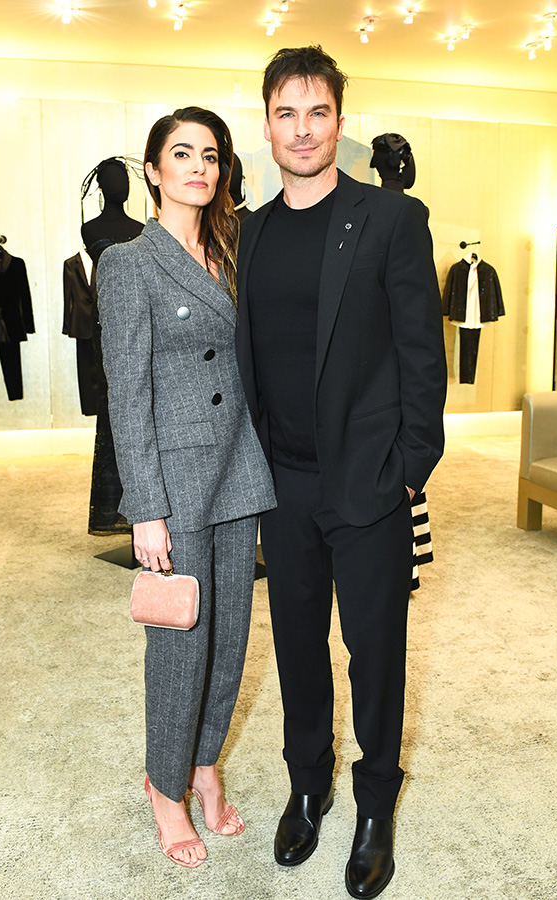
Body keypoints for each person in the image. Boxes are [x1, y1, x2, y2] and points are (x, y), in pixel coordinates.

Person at [235, 47, 447, 898]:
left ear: (339, 123)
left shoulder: (391, 219)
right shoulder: (248, 228)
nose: (302, 128)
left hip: (367, 483)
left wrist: (408, 470)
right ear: (268, 127)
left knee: (375, 653)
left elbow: (421, 356)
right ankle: (308, 782)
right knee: (294, 646)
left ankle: (372, 804)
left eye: (317, 112)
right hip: (279, 484)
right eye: (286, 113)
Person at [97, 107, 276, 869]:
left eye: (210, 154)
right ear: (152, 171)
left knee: (230, 638)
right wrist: (146, 509)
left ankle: (206, 765)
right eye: (181, 153)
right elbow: (125, 395)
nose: (198, 166)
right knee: (181, 644)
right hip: (175, 476)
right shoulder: (128, 262)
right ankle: (165, 788)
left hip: (240, 465)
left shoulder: (234, 254)